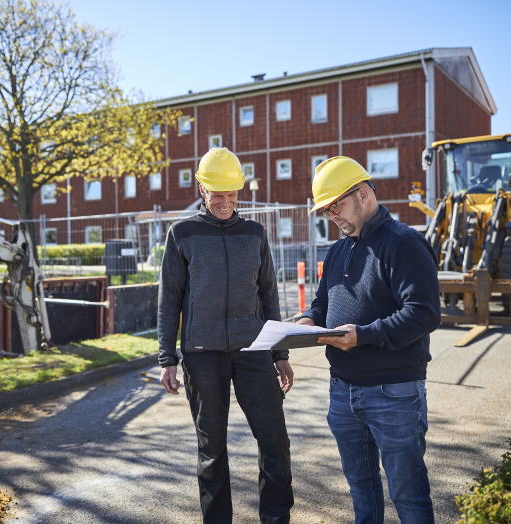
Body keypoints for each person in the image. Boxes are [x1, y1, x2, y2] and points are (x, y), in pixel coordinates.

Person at [298, 156, 440, 524]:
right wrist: (307, 321)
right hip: (342, 392)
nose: (333, 218)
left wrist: (363, 336)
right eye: (327, 212)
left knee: (408, 495)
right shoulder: (337, 249)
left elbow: (424, 313)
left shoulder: (404, 243)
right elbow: (322, 302)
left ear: (362, 194)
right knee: (361, 489)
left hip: (393, 393)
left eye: (337, 207)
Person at [157, 147, 295, 524]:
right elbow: (169, 300)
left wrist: (279, 354)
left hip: (253, 351)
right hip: (202, 355)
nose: (225, 201)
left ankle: (276, 518)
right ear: (202, 188)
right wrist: (167, 358)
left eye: (231, 193)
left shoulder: (254, 233)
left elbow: (268, 294)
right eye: (217, 193)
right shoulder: (182, 233)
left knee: (275, 442)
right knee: (212, 449)